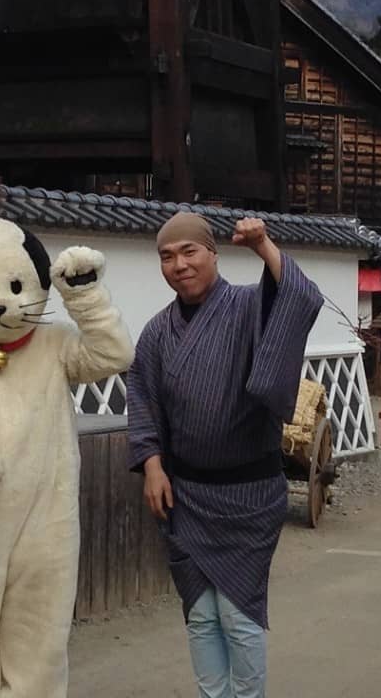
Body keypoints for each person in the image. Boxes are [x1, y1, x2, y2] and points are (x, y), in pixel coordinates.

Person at [127, 212, 323, 698]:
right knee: (199, 613)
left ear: (213, 253)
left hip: (249, 494)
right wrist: (152, 466)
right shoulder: (156, 332)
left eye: (189, 252)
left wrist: (262, 246)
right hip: (187, 497)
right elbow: (142, 399)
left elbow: (301, 297)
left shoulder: (248, 306)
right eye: (167, 257)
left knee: (238, 613)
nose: (179, 265)